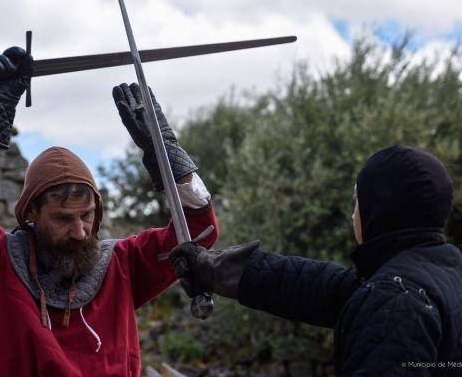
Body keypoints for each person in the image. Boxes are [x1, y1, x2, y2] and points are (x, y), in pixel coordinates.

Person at [0, 47, 218, 376]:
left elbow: (198, 233)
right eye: (62, 218)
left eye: (86, 215)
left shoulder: (122, 265)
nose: (80, 231)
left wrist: (166, 154)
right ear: (30, 214)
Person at [170, 144, 462, 376]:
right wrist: (216, 268)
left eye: (358, 201)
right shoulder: (439, 273)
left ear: (380, 209)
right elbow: (316, 287)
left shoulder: (396, 299)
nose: (353, 214)